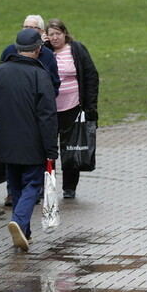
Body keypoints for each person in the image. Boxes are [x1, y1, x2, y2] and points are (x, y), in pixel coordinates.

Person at [0, 29, 58, 252]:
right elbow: (47, 116)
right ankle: (19, 221)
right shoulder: (40, 75)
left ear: (17, 48)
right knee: (32, 184)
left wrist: (3, 122)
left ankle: (24, 232)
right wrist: (51, 149)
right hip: (32, 142)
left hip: (5, 140)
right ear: (38, 49)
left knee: (15, 184)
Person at [0, 14, 60, 207]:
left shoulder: (47, 57)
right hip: (12, 120)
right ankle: (14, 196)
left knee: (33, 167)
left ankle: (30, 199)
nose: (27, 30)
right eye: (25, 26)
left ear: (41, 33)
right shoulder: (9, 53)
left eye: (32, 28)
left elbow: (54, 85)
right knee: (14, 164)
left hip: (35, 119)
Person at [45, 18, 99, 200]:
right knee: (47, 150)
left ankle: (69, 188)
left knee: (70, 149)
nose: (55, 38)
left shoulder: (77, 49)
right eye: (51, 35)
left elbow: (91, 76)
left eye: (58, 34)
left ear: (65, 33)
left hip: (73, 107)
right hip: (50, 110)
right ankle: (46, 184)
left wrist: (91, 105)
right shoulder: (44, 52)